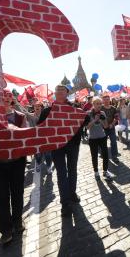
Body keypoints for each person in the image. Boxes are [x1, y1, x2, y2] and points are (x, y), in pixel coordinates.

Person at [0, 89, 27, 244]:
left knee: (17, 193)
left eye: (8, 98)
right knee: (1, 197)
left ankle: (17, 222)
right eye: (2, 98)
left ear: (12, 100)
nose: (6, 100)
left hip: (16, 162)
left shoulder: (20, 117)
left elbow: (25, 135)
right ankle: (6, 230)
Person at [38, 84, 85, 217]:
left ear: (67, 93)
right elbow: (40, 128)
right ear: (55, 93)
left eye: (62, 89)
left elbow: (85, 119)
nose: (59, 91)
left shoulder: (74, 108)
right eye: (57, 89)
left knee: (72, 170)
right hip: (56, 147)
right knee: (61, 173)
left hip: (73, 145)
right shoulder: (47, 111)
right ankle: (65, 203)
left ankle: (72, 193)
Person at [85, 97, 114, 180]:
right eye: (97, 103)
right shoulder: (88, 113)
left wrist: (102, 120)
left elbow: (106, 126)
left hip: (102, 137)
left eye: (100, 104)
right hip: (92, 138)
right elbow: (87, 127)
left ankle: (105, 171)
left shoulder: (103, 113)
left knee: (105, 155)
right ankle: (96, 172)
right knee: (94, 156)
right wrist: (95, 120)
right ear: (93, 104)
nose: (99, 105)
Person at [25, 102, 53, 174]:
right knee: (38, 155)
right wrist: (16, 103)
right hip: (36, 139)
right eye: (35, 106)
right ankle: (38, 164)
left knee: (48, 154)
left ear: (41, 107)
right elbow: (23, 112)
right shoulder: (30, 116)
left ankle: (49, 167)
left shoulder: (46, 115)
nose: (37, 107)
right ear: (33, 107)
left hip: (46, 138)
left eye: (39, 106)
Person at [102, 95, 119, 163]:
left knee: (114, 142)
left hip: (111, 128)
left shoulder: (113, 108)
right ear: (103, 100)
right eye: (105, 99)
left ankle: (114, 156)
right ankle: (105, 156)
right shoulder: (101, 108)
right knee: (103, 143)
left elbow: (116, 117)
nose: (106, 101)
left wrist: (112, 124)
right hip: (103, 128)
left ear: (110, 100)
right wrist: (104, 125)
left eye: (108, 99)